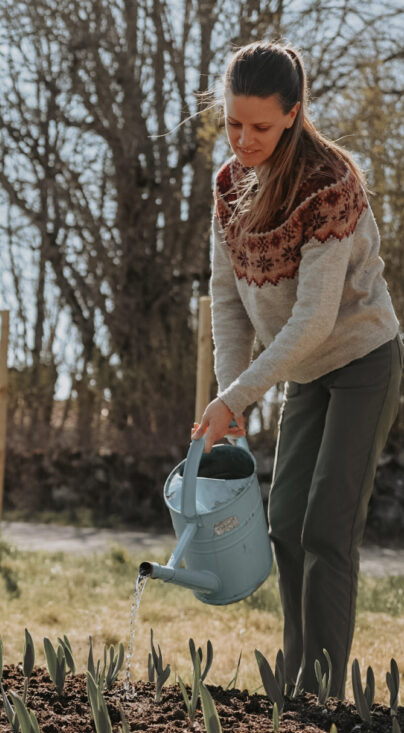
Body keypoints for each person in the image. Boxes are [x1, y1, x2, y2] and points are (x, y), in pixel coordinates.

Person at [191, 41, 402, 699]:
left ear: (292, 113)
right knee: (284, 518)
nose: (243, 139)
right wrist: (234, 397)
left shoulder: (329, 182)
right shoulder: (228, 188)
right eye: (233, 124)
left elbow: (312, 319)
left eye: (259, 125)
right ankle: (294, 683)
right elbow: (226, 298)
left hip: (361, 357)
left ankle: (324, 693)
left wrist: (238, 397)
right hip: (304, 370)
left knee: (327, 523)